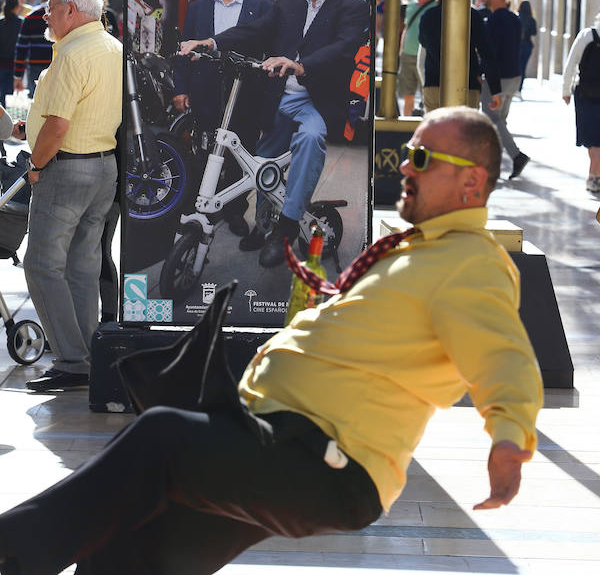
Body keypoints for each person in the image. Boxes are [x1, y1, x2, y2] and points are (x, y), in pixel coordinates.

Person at [0, 106, 543, 575]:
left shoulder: (473, 263)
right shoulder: (422, 252)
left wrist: (510, 437)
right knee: (135, 553)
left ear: (472, 183)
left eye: (422, 158)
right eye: (409, 154)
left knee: (159, 437)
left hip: (327, 461)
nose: (404, 164)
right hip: (275, 436)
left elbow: (505, 355)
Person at [182, 0, 369, 267]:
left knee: (310, 139)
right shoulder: (288, 3)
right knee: (262, 161)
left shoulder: (353, 8)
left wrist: (302, 65)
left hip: (316, 100)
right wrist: (211, 42)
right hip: (280, 96)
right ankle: (264, 223)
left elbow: (343, 47)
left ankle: (284, 228)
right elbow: (254, 31)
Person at [15, 0, 122, 393]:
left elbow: (58, 125)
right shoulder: (112, 47)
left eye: (52, 8)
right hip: (102, 168)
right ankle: (86, 357)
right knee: (82, 266)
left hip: (66, 169)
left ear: (73, 12)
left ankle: (71, 360)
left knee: (42, 264)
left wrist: (37, 164)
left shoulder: (72, 54)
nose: (45, 14)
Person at [172, 0, 271, 236]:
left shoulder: (261, 7)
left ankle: (235, 211)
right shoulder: (196, 8)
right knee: (206, 153)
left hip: (246, 96)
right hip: (205, 94)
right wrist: (180, 88)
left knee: (242, 156)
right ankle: (206, 208)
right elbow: (184, 50)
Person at [418, 0, 502, 114]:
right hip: (466, 85)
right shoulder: (473, 16)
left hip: (434, 84)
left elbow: (424, 43)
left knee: (437, 134)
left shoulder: (427, 16)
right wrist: (495, 90)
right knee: (465, 134)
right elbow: (487, 53)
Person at [480, 0, 530, 179]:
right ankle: (496, 163)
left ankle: (517, 156)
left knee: (493, 119)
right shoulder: (515, 18)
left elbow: (490, 53)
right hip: (514, 77)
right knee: (500, 121)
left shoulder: (493, 21)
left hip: (497, 80)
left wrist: (486, 75)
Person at [562, 13, 600, 194]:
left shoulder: (586, 35)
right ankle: (595, 175)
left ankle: (593, 175)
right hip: (588, 94)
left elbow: (571, 64)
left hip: (585, 94)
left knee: (593, 139)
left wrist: (565, 90)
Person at [396, 0, 435, 115]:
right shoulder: (411, 5)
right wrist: (401, 50)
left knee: (427, 96)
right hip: (407, 54)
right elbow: (406, 28)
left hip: (425, 56)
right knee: (408, 95)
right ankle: (407, 129)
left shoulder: (435, 5)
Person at [13, 0, 55, 94]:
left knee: (36, 103)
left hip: (35, 67)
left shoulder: (30, 17)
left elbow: (21, 47)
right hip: (57, 65)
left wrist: (18, 75)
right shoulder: (64, 16)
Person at [0, 0, 22, 106]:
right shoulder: (21, 23)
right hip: (16, 64)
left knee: (1, 94)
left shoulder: (1, 23)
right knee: (13, 94)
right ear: (17, 7)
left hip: (1, 63)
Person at [517, 0, 537, 94]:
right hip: (527, 45)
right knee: (523, 67)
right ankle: (519, 88)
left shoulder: (517, 17)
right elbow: (534, 32)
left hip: (517, 45)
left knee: (517, 66)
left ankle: (516, 87)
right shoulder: (531, 19)